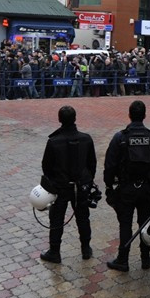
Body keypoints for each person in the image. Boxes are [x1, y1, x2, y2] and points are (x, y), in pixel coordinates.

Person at [103, 100, 150, 272]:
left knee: (125, 224)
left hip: (126, 188)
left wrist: (109, 186)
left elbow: (110, 165)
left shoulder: (120, 138)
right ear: (144, 115)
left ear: (129, 115)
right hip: (146, 189)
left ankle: (123, 259)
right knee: (144, 224)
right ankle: (145, 258)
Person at [39, 106, 97, 264]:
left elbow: (46, 167)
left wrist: (55, 182)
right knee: (83, 218)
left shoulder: (53, 141)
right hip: (81, 186)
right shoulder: (86, 139)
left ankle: (54, 251)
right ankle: (86, 249)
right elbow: (92, 164)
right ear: (75, 118)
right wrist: (87, 181)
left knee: (57, 219)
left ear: (59, 119)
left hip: (61, 186)